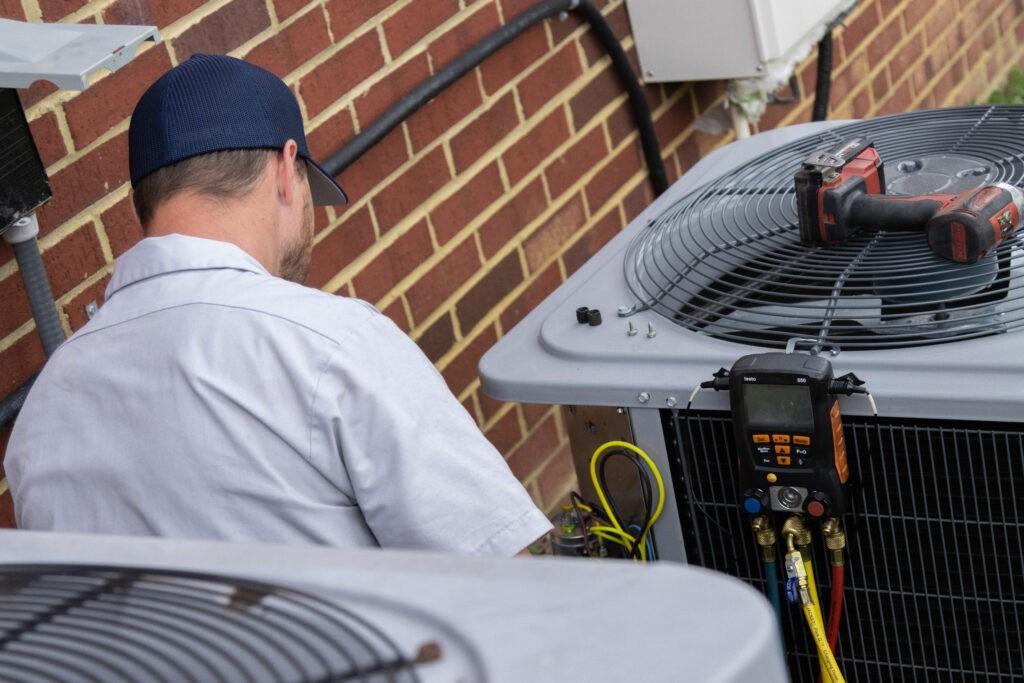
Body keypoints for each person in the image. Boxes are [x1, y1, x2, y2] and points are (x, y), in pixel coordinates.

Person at [6, 54, 551, 556]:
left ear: (144, 200)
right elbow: (500, 576)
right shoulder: (332, 346)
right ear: (287, 169)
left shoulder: (44, 411)